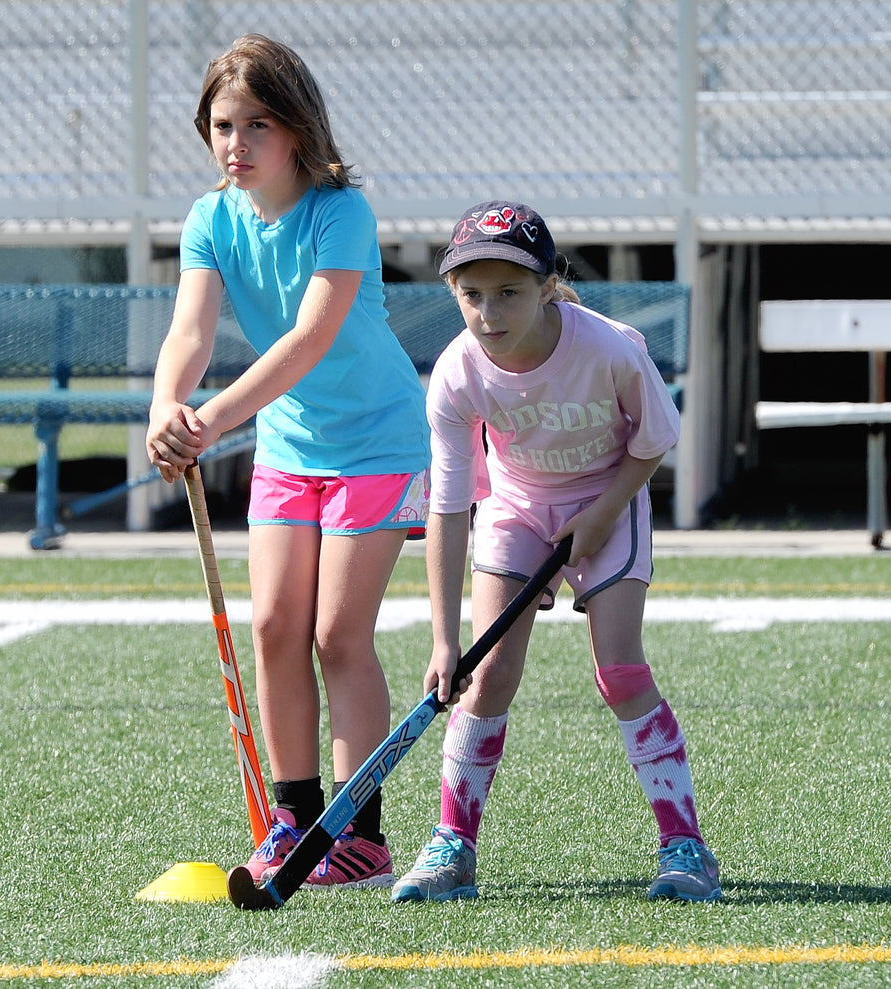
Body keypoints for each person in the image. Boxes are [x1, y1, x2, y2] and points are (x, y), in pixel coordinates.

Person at [146, 34, 430, 889]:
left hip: (377, 441)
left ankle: (361, 835)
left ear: (298, 129)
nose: (236, 143)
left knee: (337, 635)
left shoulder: (341, 213)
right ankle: (295, 821)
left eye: (256, 123)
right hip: (289, 446)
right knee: (273, 628)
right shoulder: (210, 219)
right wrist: (168, 406)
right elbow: (192, 332)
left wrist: (212, 420)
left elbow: (310, 338)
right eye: (222, 124)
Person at [390, 201, 721, 904]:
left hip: (610, 494)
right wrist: (444, 640)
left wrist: (600, 515)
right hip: (515, 508)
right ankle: (454, 846)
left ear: (546, 286)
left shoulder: (607, 346)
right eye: (471, 295)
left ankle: (684, 844)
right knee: (486, 676)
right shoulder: (454, 374)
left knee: (621, 670)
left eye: (508, 291)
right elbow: (450, 509)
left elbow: (655, 438)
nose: (488, 312)